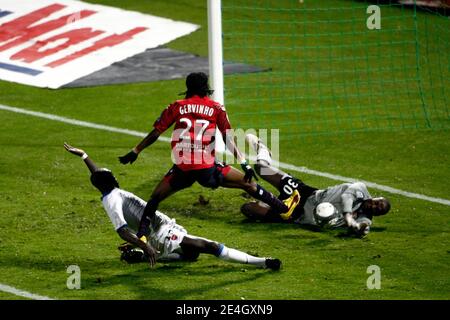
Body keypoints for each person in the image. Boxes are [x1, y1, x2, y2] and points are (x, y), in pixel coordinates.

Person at [118, 72, 298, 238]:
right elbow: (228, 138)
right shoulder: (216, 108)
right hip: (207, 169)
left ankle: (141, 235)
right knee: (248, 183)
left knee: (155, 198)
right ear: (206, 87)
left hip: (182, 168)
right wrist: (245, 164)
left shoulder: (176, 106)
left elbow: (156, 132)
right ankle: (284, 208)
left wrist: (136, 151)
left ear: (188, 88)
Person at [64, 143, 282, 270]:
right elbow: (121, 230)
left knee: (191, 256)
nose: (114, 175)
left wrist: (84, 156)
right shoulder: (112, 200)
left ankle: (145, 257)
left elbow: (98, 176)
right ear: (111, 180)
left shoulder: (107, 191)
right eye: (111, 175)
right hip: (161, 233)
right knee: (210, 247)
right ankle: (262, 262)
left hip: (164, 230)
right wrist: (145, 246)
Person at [240, 134, 391, 237]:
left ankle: (268, 202)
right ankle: (263, 149)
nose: (374, 206)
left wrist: (357, 228)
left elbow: (363, 229)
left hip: (297, 215)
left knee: (248, 209)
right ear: (375, 197)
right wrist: (347, 216)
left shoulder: (364, 218)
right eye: (377, 203)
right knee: (261, 168)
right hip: (304, 193)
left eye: (377, 210)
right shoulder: (360, 188)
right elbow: (346, 197)